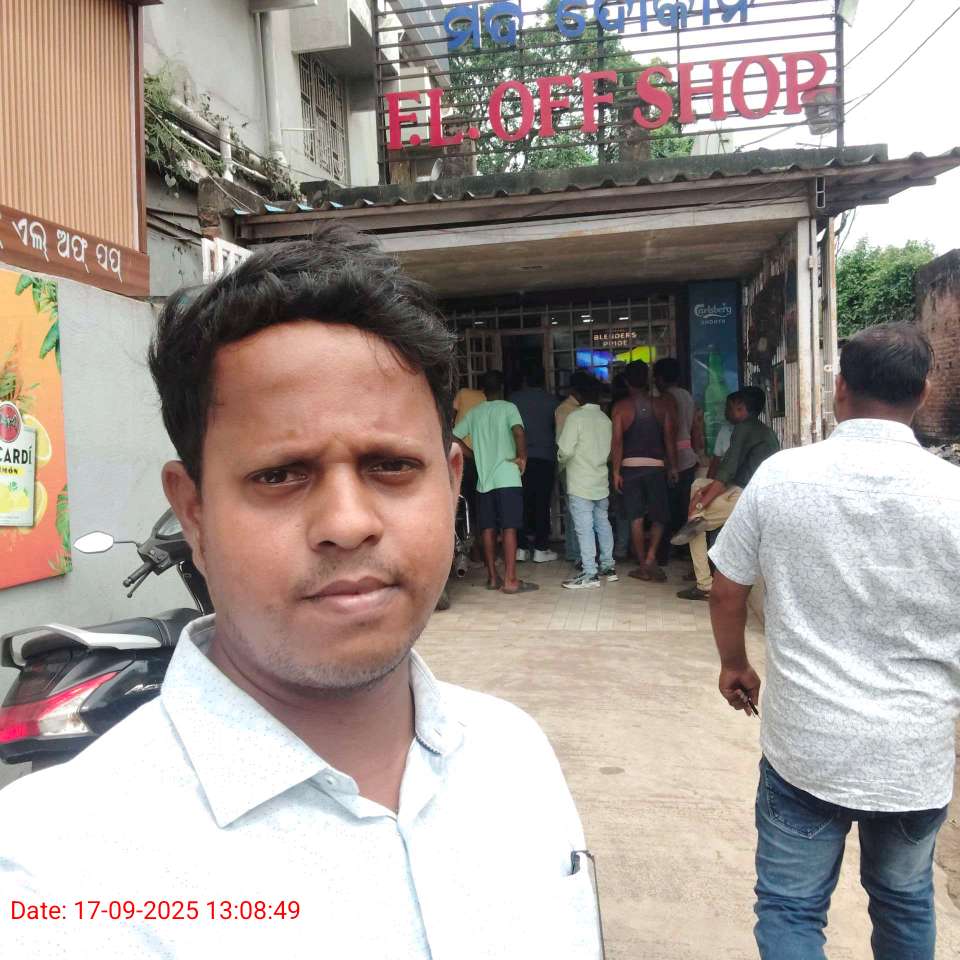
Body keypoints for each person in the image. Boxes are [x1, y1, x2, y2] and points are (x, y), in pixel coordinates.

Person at [0, 227, 601, 958]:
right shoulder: (55, 870)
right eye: (279, 475)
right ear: (194, 513)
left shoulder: (515, 756)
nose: (347, 524)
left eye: (391, 465)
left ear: (451, 484)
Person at [707, 323, 960, 960]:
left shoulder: (781, 477)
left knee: (790, 909)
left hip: (807, 748)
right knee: (905, 900)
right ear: (924, 391)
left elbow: (727, 586)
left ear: (840, 387)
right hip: (914, 753)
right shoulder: (953, 494)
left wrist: (734, 663)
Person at [673, 386, 778, 602]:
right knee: (699, 484)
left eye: (729, 407)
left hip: (745, 495)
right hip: (748, 490)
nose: (726, 412)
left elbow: (725, 472)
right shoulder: (763, 430)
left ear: (741, 408)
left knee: (696, 523)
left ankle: (704, 584)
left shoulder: (743, 429)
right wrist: (703, 492)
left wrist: (700, 505)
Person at [453, 369, 538, 595]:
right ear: (502, 388)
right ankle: (511, 580)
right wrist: (522, 457)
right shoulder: (509, 408)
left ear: (483, 391)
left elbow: (453, 437)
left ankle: (492, 577)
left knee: (487, 527)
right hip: (508, 476)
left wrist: (473, 455)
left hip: (484, 480)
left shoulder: (475, 413)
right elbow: (518, 432)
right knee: (509, 527)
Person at [611, 360, 677, 583]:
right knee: (659, 517)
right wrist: (673, 466)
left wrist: (616, 471)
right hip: (656, 467)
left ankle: (642, 565)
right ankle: (650, 557)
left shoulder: (620, 408)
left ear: (626, 382)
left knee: (635, 517)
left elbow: (617, 443)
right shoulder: (661, 406)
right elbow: (669, 440)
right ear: (648, 380)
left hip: (630, 469)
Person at [557, 376, 617, 590]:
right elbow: (609, 452)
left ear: (579, 395)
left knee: (584, 527)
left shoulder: (575, 417)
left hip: (580, 481)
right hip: (600, 480)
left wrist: (561, 463)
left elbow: (565, 450)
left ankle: (590, 573)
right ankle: (608, 567)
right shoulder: (605, 419)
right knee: (603, 523)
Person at [653, 357, 704, 559]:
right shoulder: (687, 396)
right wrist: (696, 452)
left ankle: (665, 550)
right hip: (688, 455)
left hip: (673, 457)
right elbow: (696, 427)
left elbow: (669, 431)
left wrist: (670, 463)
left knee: (666, 507)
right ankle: (686, 550)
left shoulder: (666, 398)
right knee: (685, 505)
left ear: (660, 378)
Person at [509, 367, 559, 564]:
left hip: (520, 458)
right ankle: (540, 548)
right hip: (545, 457)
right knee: (542, 503)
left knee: (521, 504)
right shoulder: (552, 401)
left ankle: (521, 547)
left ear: (525, 381)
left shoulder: (513, 400)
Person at [556, 370, 594, 566]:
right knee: (575, 509)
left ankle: (576, 550)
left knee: (577, 509)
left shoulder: (574, 409)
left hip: (579, 466)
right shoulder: (565, 410)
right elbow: (564, 445)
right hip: (572, 467)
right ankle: (574, 551)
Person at [452, 382, 486, 537]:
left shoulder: (463, 392)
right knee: (478, 501)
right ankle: (478, 539)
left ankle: (465, 537)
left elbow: (451, 418)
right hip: (482, 456)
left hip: (463, 453)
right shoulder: (489, 399)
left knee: (463, 498)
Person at [706, 392, 739, 479]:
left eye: (729, 408)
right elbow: (715, 462)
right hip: (725, 480)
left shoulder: (748, 431)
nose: (726, 411)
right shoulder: (724, 430)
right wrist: (707, 482)